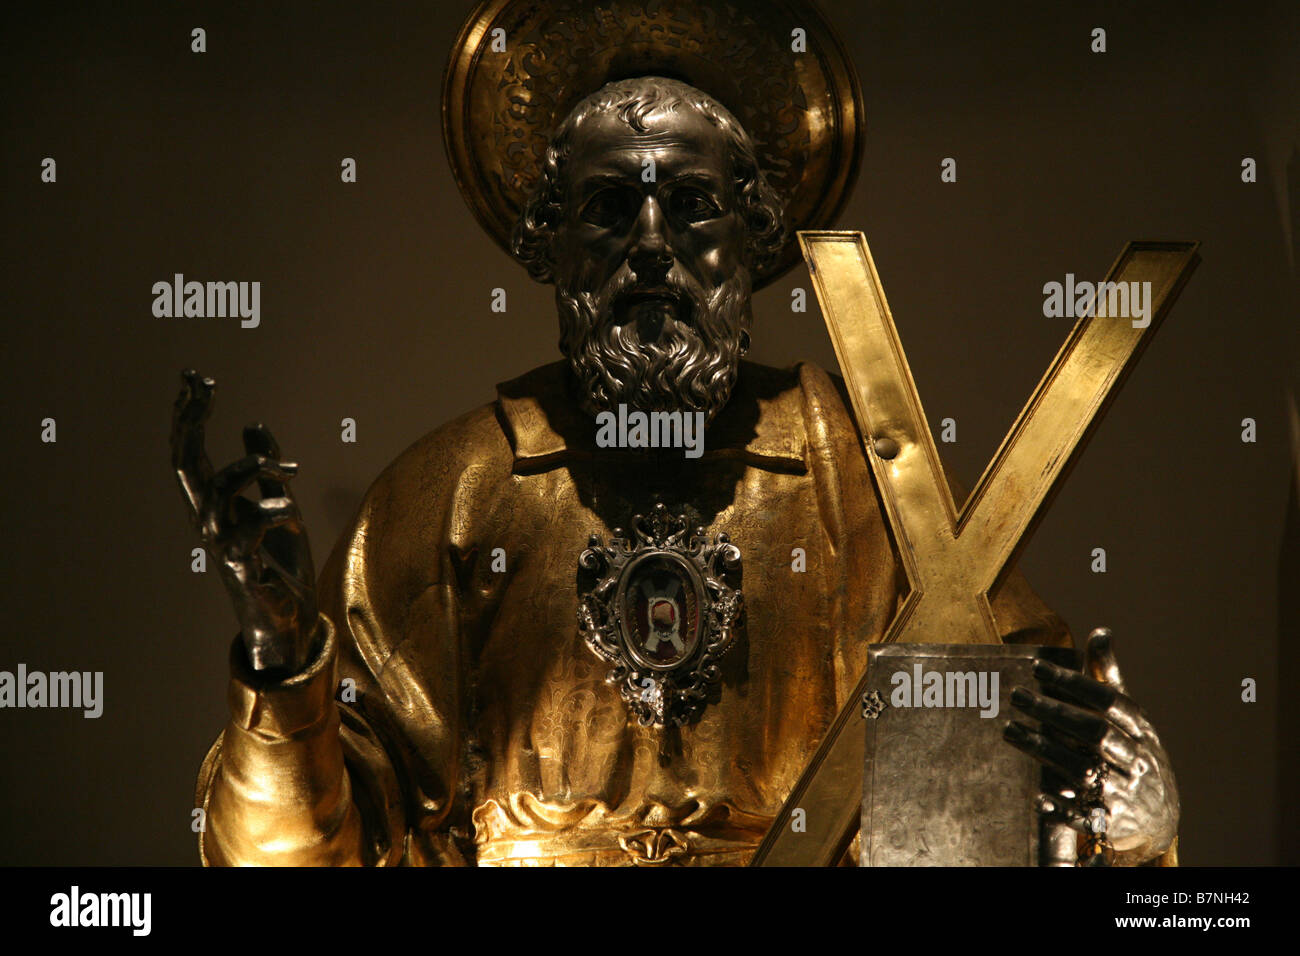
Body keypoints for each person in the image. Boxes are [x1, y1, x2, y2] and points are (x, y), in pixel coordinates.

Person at [173, 73, 1177, 867]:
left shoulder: (866, 485)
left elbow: (1018, 810)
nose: (651, 246)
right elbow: (287, 858)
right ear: (550, 243)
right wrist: (281, 662)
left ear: (753, 240)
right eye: (610, 209)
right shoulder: (449, 498)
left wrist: (1130, 830)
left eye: (690, 206)